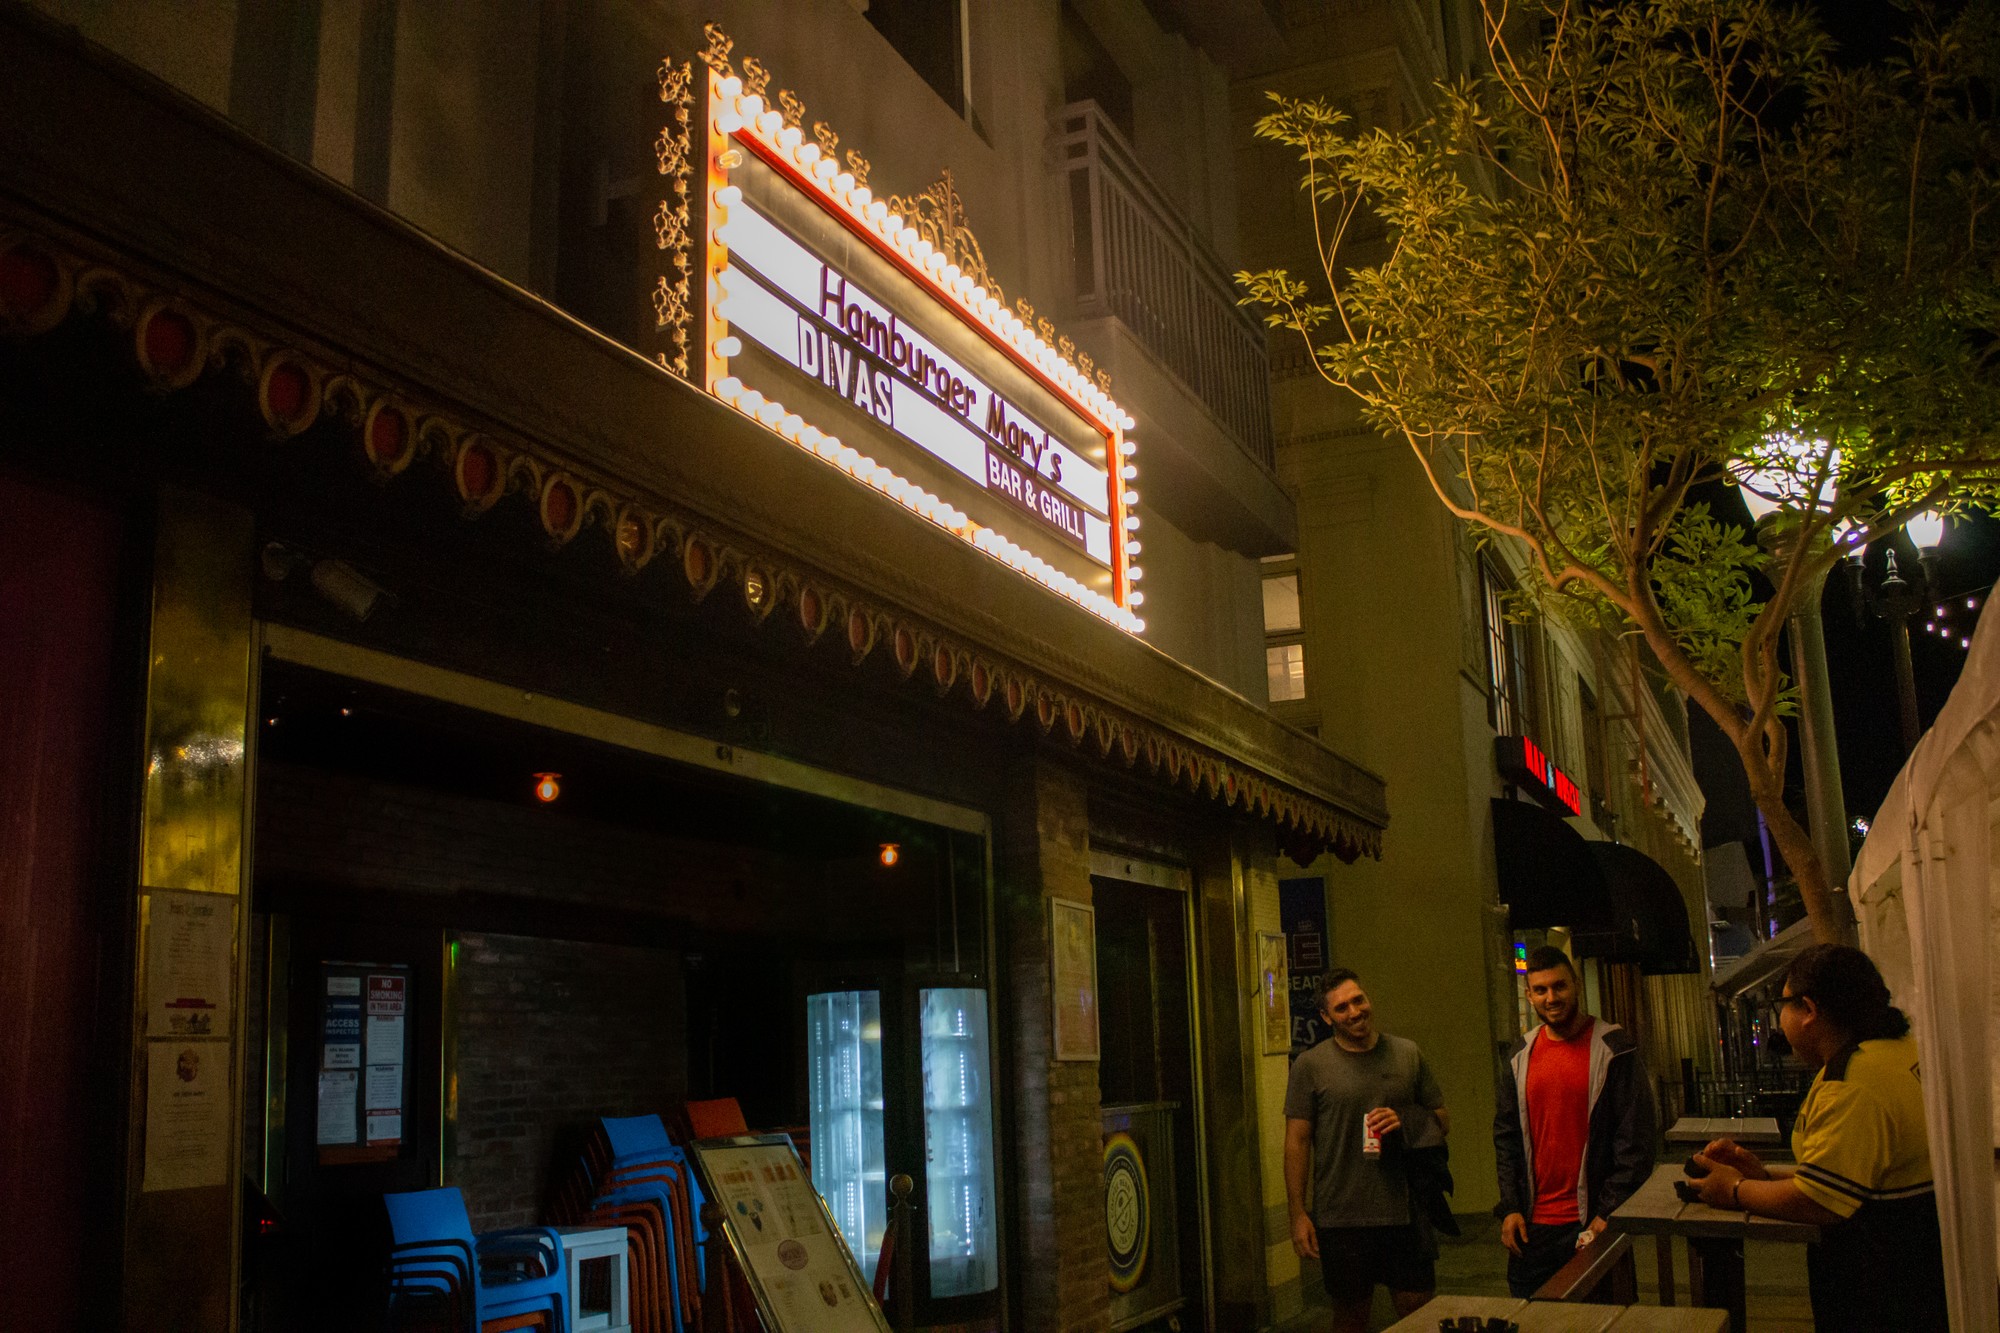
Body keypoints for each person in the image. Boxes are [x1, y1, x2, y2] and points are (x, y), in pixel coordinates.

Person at [1689, 944, 1948, 1332]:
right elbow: (1846, 1174)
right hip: (1925, 1273)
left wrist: (1736, 1190)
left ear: (1808, 1010)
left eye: (1785, 1006)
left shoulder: (1852, 1083)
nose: (1781, 1022)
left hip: (1878, 1291)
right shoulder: (1900, 1052)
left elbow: (1818, 1200)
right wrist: (1765, 1177)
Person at [1282, 968, 1449, 1333]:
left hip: (1405, 1209)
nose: (1355, 1012)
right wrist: (1297, 1213)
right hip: (1343, 1217)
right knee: (1351, 1317)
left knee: (1418, 1312)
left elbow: (1441, 1119)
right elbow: (1296, 1141)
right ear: (1327, 1017)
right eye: (1342, 1008)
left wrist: (1406, 1120)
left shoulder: (1407, 1053)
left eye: (1359, 1000)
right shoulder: (1310, 1066)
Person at [1493, 946, 1656, 1298]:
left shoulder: (1614, 1048)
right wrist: (1510, 1209)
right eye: (1541, 990)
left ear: (1576, 984)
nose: (1551, 998)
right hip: (1532, 1231)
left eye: (1559, 986)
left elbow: (1636, 1140)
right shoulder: (1520, 1055)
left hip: (1590, 1224)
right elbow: (1506, 1137)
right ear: (1529, 995)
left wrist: (1608, 1212)